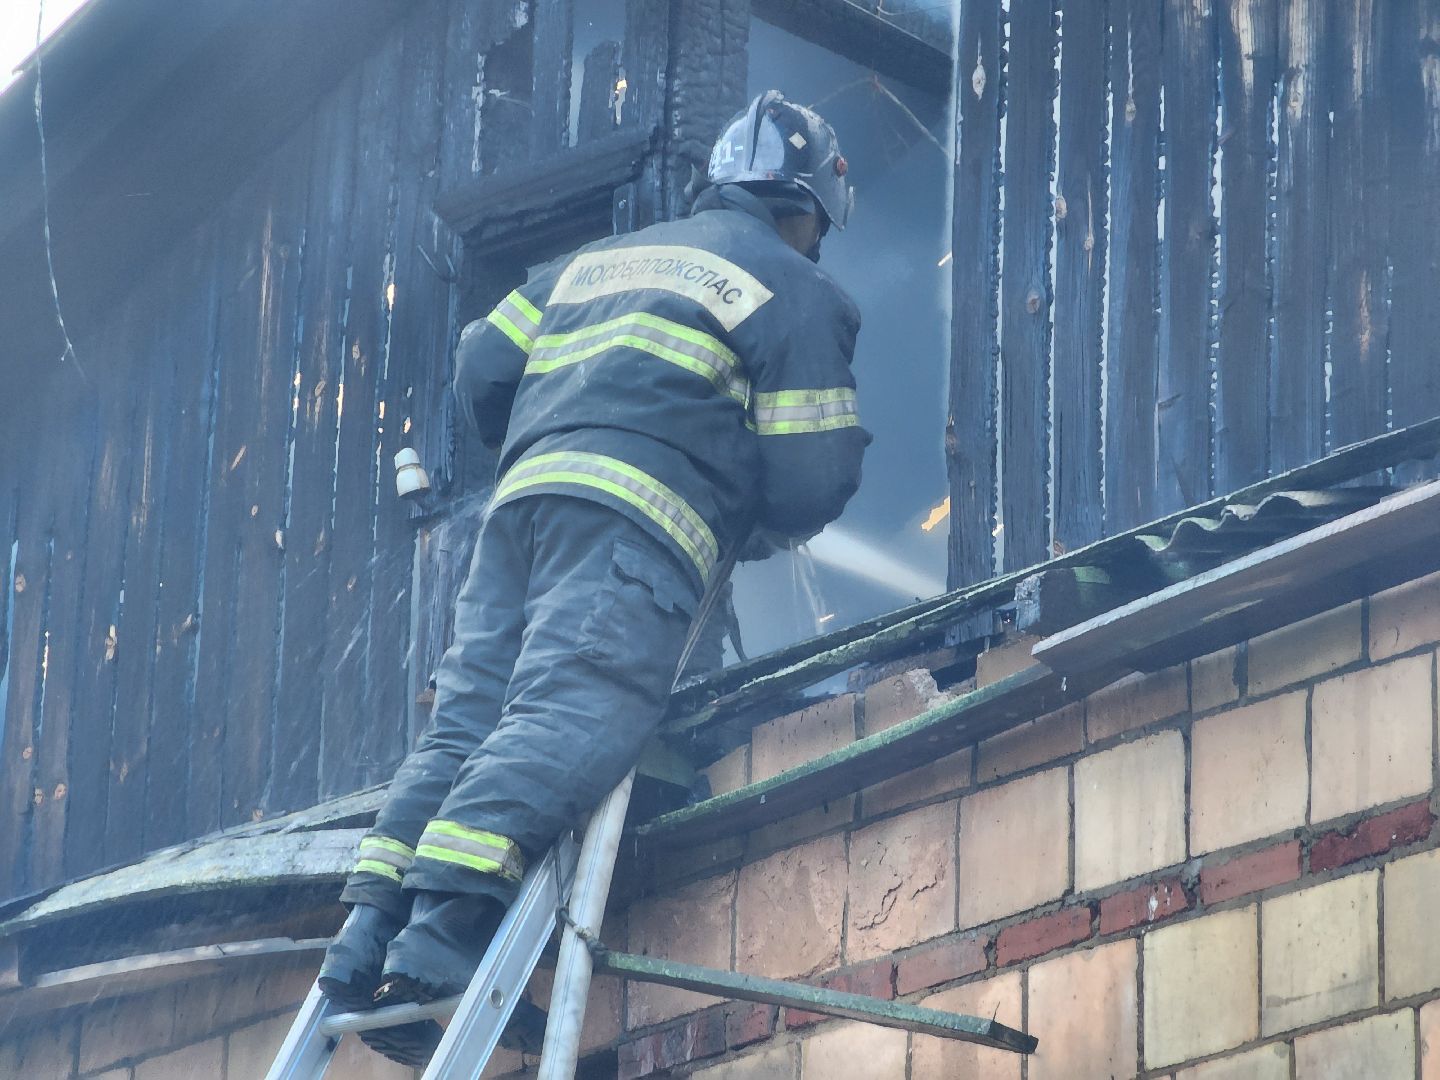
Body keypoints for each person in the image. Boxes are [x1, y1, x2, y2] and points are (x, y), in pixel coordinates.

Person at [317, 90, 871, 1066]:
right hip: (632, 534)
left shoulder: (593, 263)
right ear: (805, 208)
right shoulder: (794, 285)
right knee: (570, 709)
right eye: (818, 226)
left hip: (521, 514)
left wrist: (559, 436)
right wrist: (725, 498)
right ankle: (440, 944)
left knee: (466, 723)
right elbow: (810, 480)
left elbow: (480, 366)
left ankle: (364, 942)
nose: (817, 242)